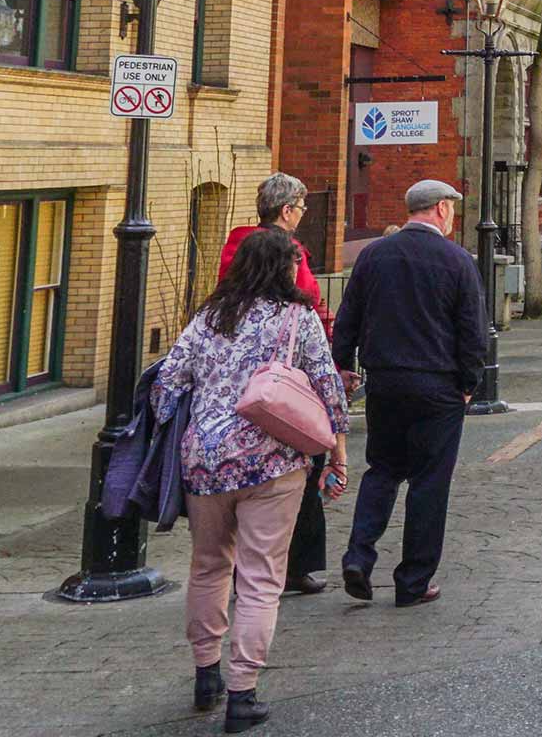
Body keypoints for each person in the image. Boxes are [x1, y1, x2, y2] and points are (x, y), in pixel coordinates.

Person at [154, 226, 347, 733]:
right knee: (261, 579)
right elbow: (328, 387)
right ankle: (243, 693)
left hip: (205, 464)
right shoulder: (297, 318)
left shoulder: (209, 316)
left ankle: (205, 673)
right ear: (285, 269)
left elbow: (167, 386)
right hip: (273, 462)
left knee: (208, 568)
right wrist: (337, 450)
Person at [334, 178, 485, 607]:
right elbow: (472, 330)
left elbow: (349, 315)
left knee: (381, 470)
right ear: (440, 209)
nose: (453, 214)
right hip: (438, 385)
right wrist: (470, 384)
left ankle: (359, 557)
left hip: (385, 380)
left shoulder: (374, 256)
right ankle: (413, 581)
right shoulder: (457, 261)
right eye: (451, 207)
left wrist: (343, 364)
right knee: (429, 483)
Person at [220, 173, 332, 595]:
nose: (302, 215)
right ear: (286, 211)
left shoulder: (237, 244)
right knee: (300, 472)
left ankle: (242, 565)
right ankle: (292, 566)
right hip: (285, 379)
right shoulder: (288, 253)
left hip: (238, 387)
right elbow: (308, 302)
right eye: (301, 208)